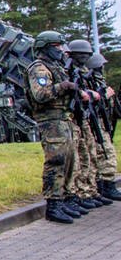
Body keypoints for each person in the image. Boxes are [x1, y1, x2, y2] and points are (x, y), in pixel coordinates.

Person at [27, 31, 84, 223]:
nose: (60, 50)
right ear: (46, 47)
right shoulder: (39, 68)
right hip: (50, 120)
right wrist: (62, 87)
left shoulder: (56, 67)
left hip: (62, 118)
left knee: (69, 160)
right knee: (56, 160)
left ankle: (64, 198)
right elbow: (40, 95)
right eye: (56, 46)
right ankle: (53, 203)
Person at [65, 39, 110, 209]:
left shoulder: (83, 73)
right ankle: (81, 192)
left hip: (84, 117)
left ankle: (89, 191)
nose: (84, 57)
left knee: (89, 154)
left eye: (86, 55)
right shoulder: (68, 71)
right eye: (81, 54)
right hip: (73, 119)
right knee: (80, 157)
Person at [87, 51, 120, 200]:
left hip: (103, 123)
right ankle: (104, 186)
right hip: (96, 123)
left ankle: (107, 185)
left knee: (107, 153)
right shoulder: (89, 81)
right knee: (104, 153)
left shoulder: (99, 81)